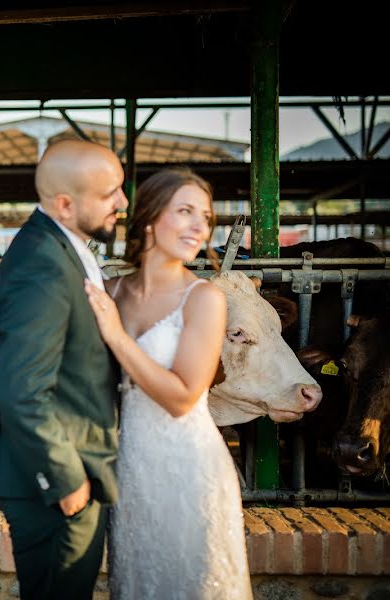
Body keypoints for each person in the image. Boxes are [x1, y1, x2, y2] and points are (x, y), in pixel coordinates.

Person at [0, 139, 128, 599]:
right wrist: (66, 480)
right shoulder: (42, 263)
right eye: (109, 192)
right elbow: (21, 389)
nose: (123, 201)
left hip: (64, 465)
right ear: (65, 204)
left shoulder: (60, 246)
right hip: (52, 480)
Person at [84, 168, 252, 599]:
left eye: (207, 217)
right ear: (149, 220)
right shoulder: (112, 292)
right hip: (132, 470)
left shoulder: (205, 298)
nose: (200, 226)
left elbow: (183, 397)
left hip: (190, 471)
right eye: (185, 211)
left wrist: (117, 337)